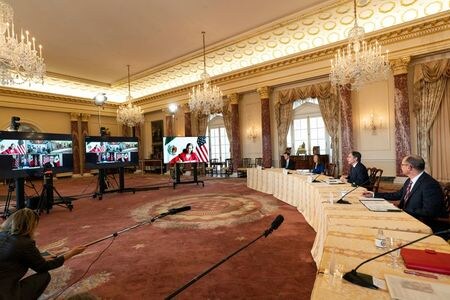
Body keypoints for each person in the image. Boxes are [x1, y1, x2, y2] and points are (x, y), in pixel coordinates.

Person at [0, 208, 85, 300]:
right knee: (44, 276)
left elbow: (13, 255)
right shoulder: (25, 243)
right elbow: (43, 267)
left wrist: (39, 257)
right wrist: (71, 253)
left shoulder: (2, 235)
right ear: (30, 226)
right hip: (5, 295)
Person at [363, 155, 447, 230]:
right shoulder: (410, 179)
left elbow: (429, 212)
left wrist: (401, 210)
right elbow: (398, 194)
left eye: (402, 164)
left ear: (409, 167)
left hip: (421, 223)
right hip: (407, 216)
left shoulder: (430, 185)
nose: (400, 167)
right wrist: (374, 194)